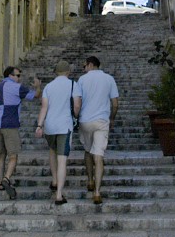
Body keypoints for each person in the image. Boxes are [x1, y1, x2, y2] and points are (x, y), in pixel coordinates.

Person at [0, 65, 41, 199]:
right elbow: (36, 96)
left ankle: (0, 181)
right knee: (13, 155)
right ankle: (7, 178)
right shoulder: (17, 88)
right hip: (10, 125)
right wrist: (38, 86)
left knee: (1, 155)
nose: (19, 78)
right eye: (18, 75)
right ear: (10, 75)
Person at [72, 55, 118, 205]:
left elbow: (77, 102)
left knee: (87, 150)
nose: (84, 69)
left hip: (85, 120)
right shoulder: (109, 79)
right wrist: (112, 118)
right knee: (98, 156)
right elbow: (115, 103)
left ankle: (90, 180)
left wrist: (75, 117)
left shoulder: (82, 80)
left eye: (84, 66)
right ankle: (97, 192)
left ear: (90, 65)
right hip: (102, 121)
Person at [34, 60, 76, 205]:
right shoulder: (73, 85)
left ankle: (54, 180)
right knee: (62, 159)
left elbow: (44, 107)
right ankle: (59, 195)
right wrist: (75, 115)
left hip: (50, 126)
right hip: (64, 126)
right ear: (68, 72)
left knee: (52, 151)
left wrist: (39, 125)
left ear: (56, 72)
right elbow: (76, 106)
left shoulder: (49, 87)